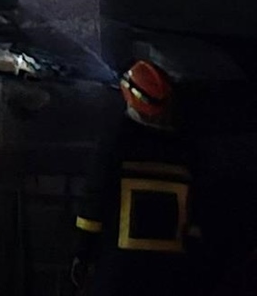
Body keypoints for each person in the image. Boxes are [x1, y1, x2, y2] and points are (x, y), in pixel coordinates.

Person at [71, 59, 202, 296]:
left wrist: (82, 250)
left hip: (119, 268)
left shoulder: (116, 142)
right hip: (169, 269)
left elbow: (95, 199)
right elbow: (198, 208)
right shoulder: (186, 149)